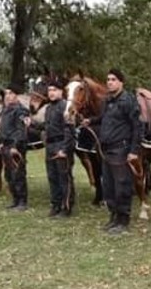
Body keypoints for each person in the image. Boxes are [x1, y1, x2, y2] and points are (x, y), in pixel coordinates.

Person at [83, 69, 142, 235]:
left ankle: (123, 221)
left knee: (122, 186)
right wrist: (91, 120)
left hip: (121, 150)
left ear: (121, 82)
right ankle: (114, 217)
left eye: (113, 79)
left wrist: (134, 150)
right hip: (106, 151)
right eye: (108, 79)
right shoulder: (108, 101)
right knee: (108, 186)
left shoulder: (128, 101)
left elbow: (137, 126)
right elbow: (103, 118)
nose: (109, 82)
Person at [43, 78, 76, 217]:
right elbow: (47, 127)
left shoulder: (66, 107)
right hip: (50, 145)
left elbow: (69, 130)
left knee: (64, 178)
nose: (51, 93)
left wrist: (64, 149)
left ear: (61, 92)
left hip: (62, 145)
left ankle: (66, 207)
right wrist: (30, 124)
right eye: (49, 90)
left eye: (54, 90)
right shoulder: (49, 108)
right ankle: (56, 204)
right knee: (52, 177)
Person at [0, 83, 32, 211]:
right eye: (6, 93)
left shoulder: (20, 110)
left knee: (18, 174)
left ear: (17, 96)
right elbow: (4, 129)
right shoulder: (6, 110)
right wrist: (1, 142)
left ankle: (22, 202)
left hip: (16, 147)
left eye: (11, 93)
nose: (8, 96)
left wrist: (15, 146)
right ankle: (15, 200)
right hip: (5, 146)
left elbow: (20, 130)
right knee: (9, 175)